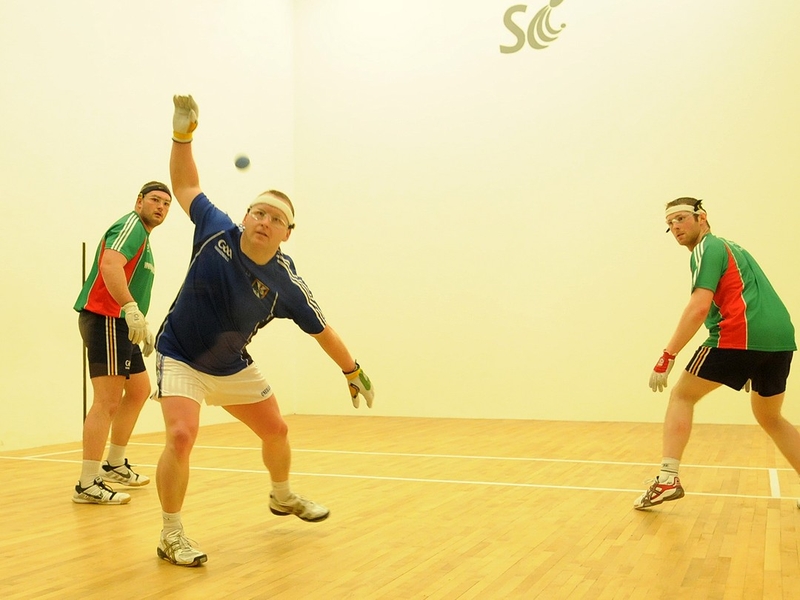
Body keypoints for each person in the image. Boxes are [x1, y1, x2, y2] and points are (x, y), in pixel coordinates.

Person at [153, 94, 375, 567]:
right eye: (259, 212)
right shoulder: (215, 228)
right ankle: (171, 534)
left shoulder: (286, 283)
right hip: (180, 354)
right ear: (246, 216)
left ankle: (282, 495)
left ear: (286, 233)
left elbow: (322, 330)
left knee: (276, 429)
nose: (265, 221)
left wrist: (352, 370)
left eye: (276, 219)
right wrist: (182, 136)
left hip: (231, 365)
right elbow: (186, 183)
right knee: (181, 436)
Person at [635, 197, 800, 510]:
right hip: (779, 340)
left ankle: (667, 479)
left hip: (740, 335)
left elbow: (698, 308)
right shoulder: (734, 249)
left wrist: (668, 355)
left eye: (681, 218)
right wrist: (753, 359)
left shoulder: (706, 248)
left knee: (682, 396)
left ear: (702, 217)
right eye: (670, 223)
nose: (675, 227)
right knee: (770, 417)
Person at [73, 181, 172, 504]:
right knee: (107, 401)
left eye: (166, 204)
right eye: (155, 200)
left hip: (122, 324)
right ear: (139, 201)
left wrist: (139, 321)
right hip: (105, 318)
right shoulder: (131, 226)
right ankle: (87, 483)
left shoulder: (144, 238)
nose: (160, 207)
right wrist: (130, 308)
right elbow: (110, 264)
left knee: (140, 390)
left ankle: (114, 464)